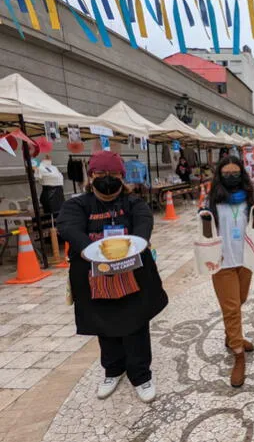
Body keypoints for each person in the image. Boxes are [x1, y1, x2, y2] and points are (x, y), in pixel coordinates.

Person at [57, 151, 168, 403]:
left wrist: (135, 243)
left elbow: (143, 224)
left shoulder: (134, 203)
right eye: (101, 174)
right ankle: (113, 370)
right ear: (91, 176)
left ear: (122, 176)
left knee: (136, 324)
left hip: (132, 273)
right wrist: (92, 249)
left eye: (113, 174)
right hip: (95, 276)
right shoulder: (78, 204)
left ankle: (141, 375)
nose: (107, 179)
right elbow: (68, 226)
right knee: (104, 325)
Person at [203, 156, 254, 388]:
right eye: (226, 174)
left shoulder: (250, 197)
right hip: (222, 261)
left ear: (242, 174)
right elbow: (206, 231)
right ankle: (238, 355)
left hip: (245, 258)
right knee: (231, 308)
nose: (231, 177)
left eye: (235, 173)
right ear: (220, 176)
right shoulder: (213, 200)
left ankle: (231, 337)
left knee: (240, 301)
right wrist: (204, 219)